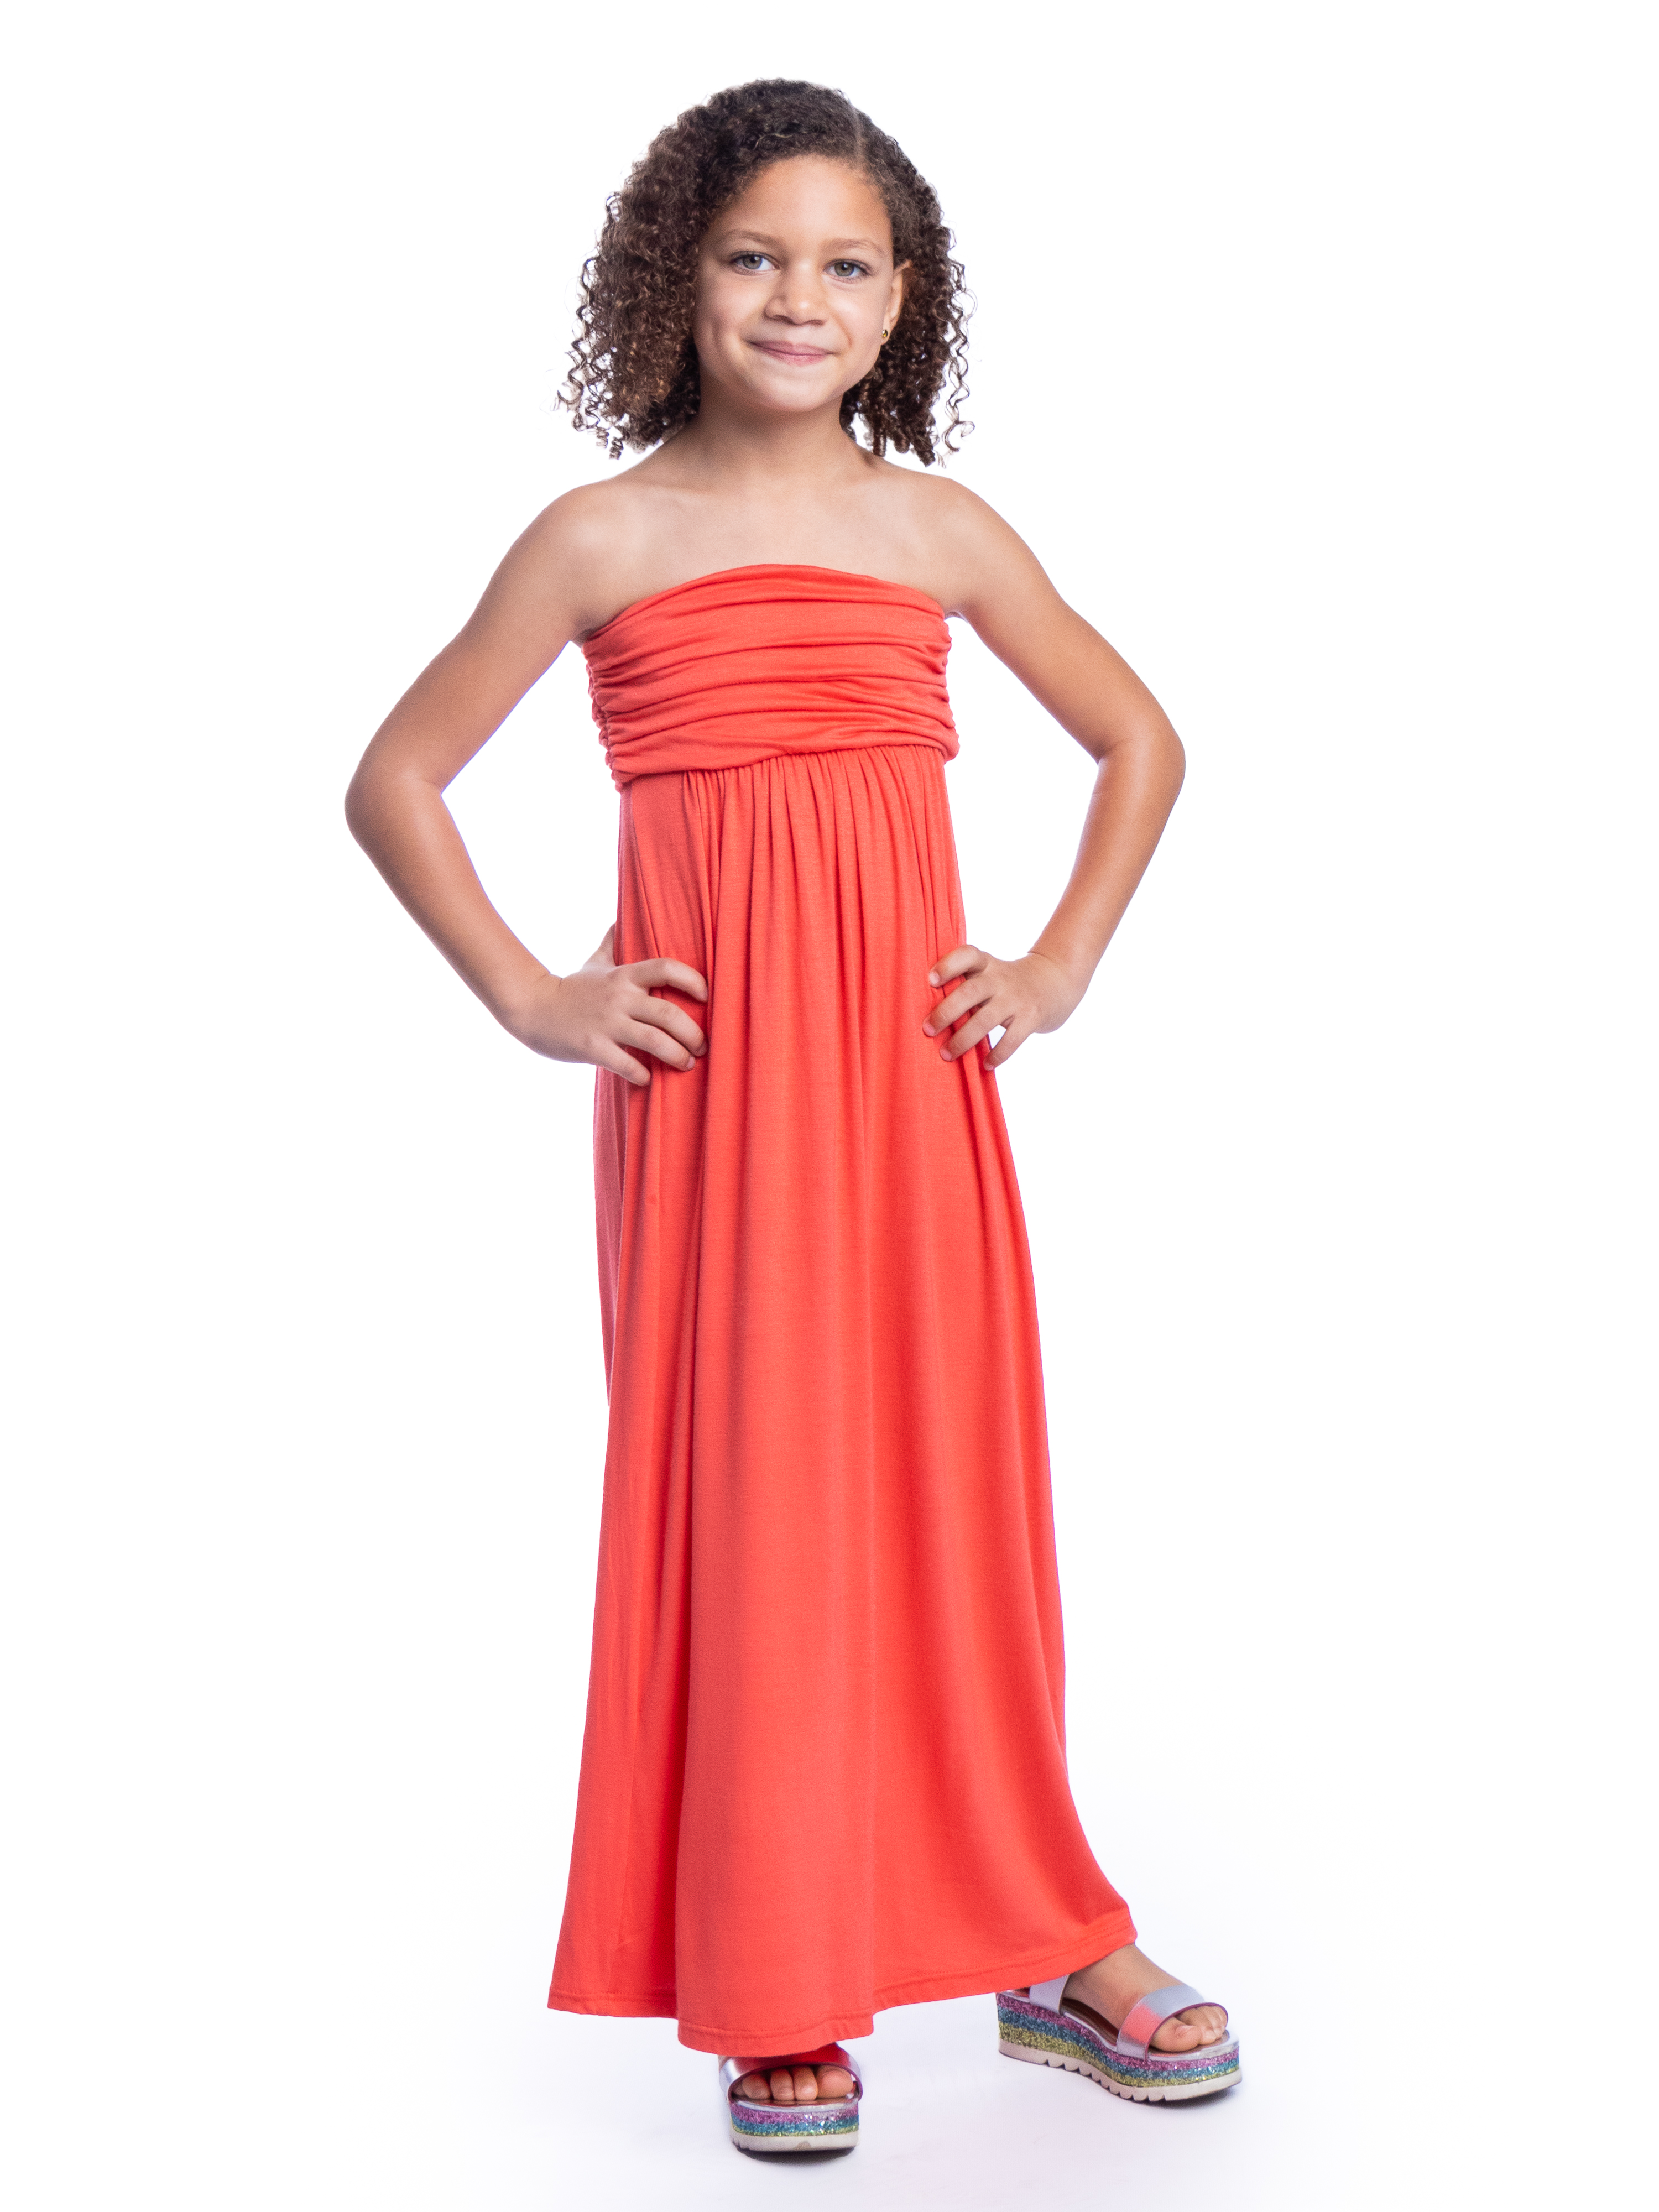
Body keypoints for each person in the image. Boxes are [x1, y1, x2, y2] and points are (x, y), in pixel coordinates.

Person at [346, 77, 1238, 2157]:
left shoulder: (938, 531)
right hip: (716, 1100)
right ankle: (774, 1967)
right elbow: (394, 777)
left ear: (902, 300)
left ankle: (1048, 1932)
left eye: (844, 265)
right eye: (753, 256)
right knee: (755, 1497)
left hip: (914, 1092)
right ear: (676, 277)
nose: (795, 298)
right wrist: (535, 994)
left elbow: (1141, 738)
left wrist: (1055, 965)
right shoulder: (601, 538)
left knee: (951, 1491)